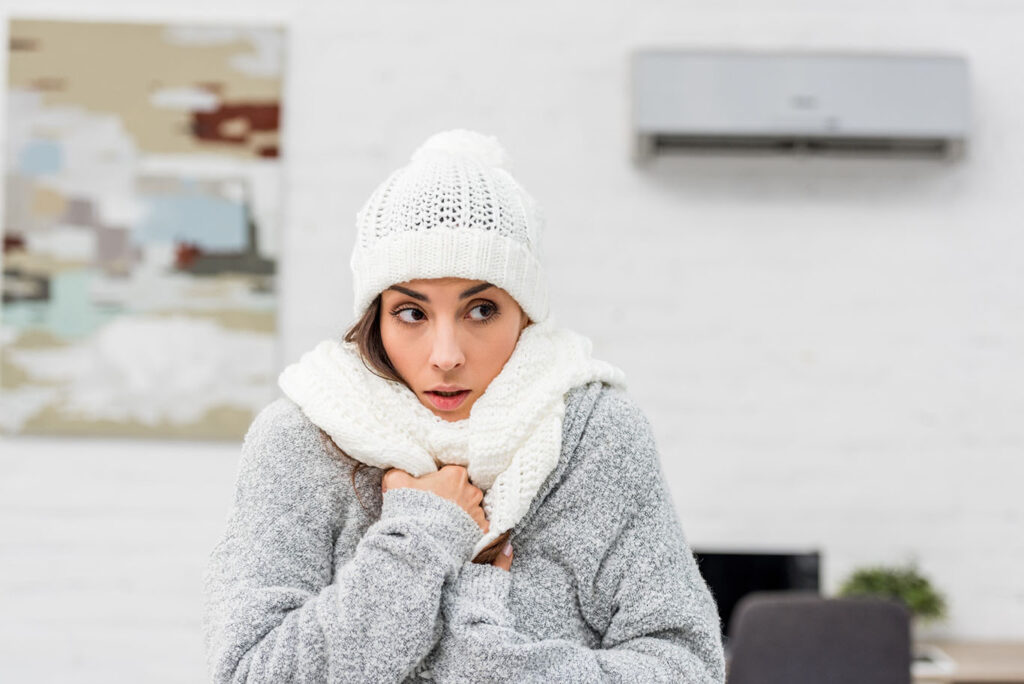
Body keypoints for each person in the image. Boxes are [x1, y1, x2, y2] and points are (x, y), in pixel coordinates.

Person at [201, 129, 726, 682]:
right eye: (412, 313)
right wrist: (421, 537)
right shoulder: (299, 439)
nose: (446, 356)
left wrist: (480, 650)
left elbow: (687, 666)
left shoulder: (594, 435)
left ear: (523, 313)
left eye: (480, 310)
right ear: (375, 318)